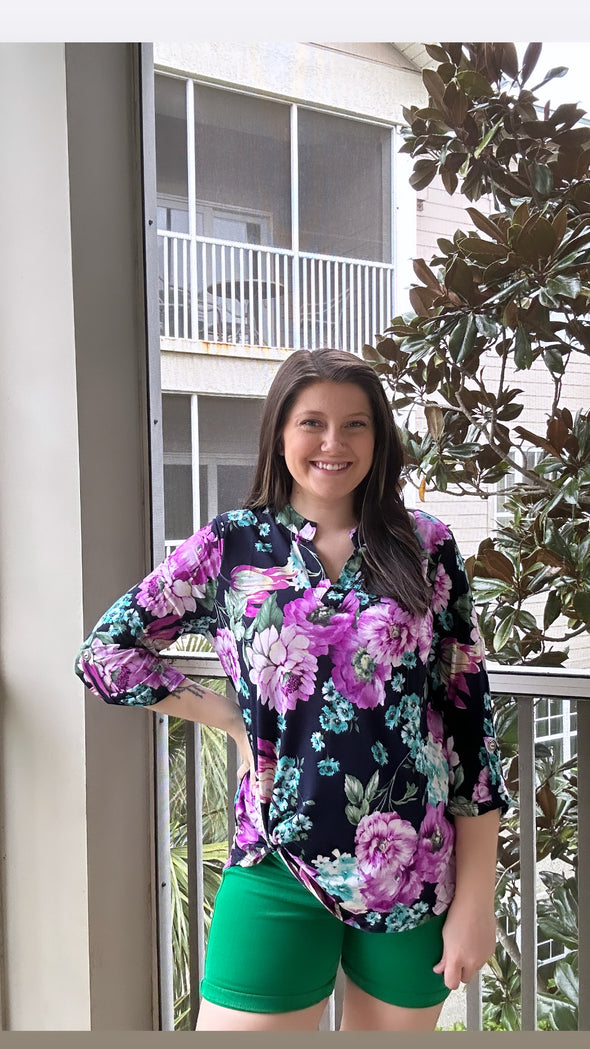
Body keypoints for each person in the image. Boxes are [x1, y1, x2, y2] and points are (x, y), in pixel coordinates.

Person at [75, 348, 509, 1032]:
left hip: (408, 869)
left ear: (379, 438)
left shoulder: (426, 546)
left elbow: (469, 732)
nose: (333, 443)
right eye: (312, 422)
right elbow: (107, 653)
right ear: (280, 432)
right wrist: (227, 717)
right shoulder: (232, 545)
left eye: (356, 425)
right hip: (273, 855)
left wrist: (476, 899)